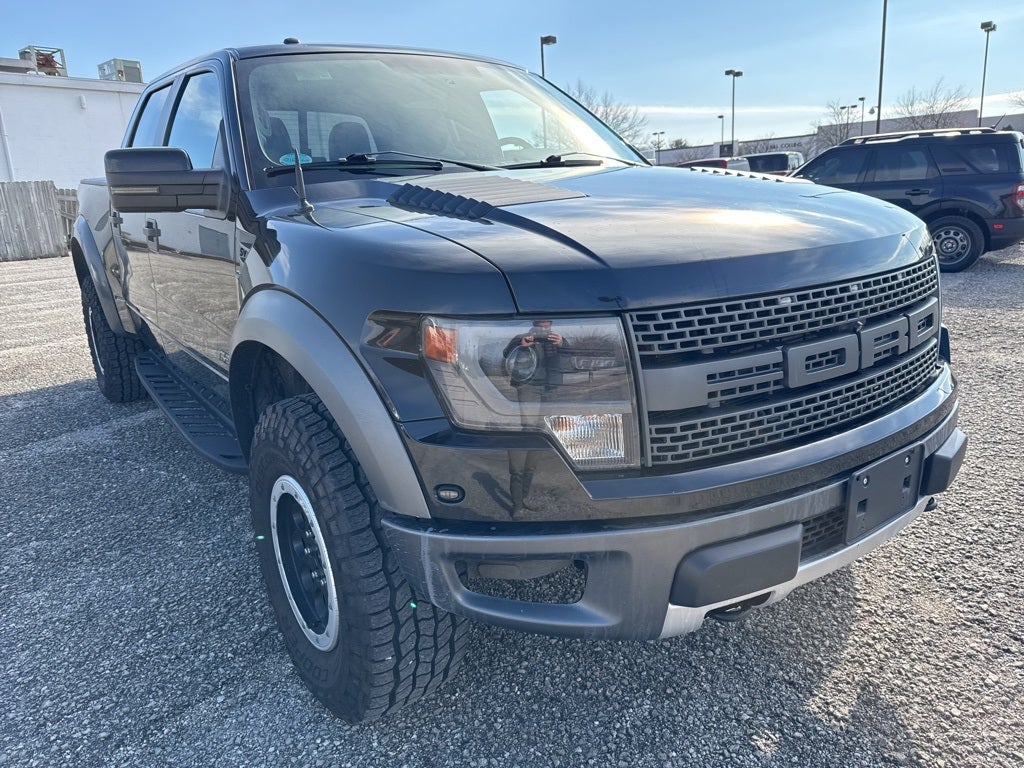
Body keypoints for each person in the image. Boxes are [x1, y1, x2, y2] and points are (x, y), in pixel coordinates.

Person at [502, 320, 567, 517]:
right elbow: (507, 353)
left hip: (550, 388)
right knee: (529, 428)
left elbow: (571, 356)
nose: (544, 330)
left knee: (541, 433)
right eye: (541, 326)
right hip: (529, 386)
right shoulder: (523, 338)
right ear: (534, 325)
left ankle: (524, 498)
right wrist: (520, 345)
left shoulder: (557, 339)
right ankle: (518, 504)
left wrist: (563, 344)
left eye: (547, 326)